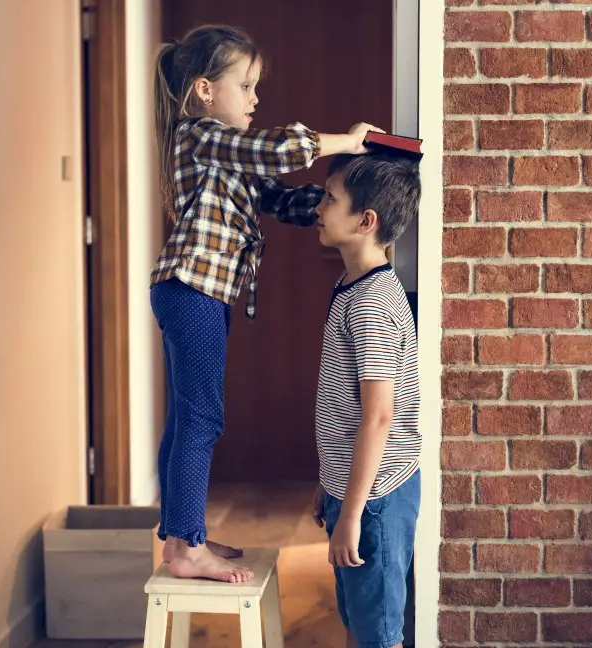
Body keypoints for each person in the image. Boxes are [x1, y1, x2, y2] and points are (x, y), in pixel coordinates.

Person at [150, 23, 381, 584]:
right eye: (246, 86)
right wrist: (345, 142)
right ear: (205, 90)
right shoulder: (200, 134)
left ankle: (184, 536)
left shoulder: (225, 156)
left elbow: (278, 197)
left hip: (193, 292)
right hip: (193, 290)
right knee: (201, 418)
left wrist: (340, 198)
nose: (256, 99)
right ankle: (186, 548)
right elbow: (277, 149)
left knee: (186, 418)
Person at [311, 152, 421, 648]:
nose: (319, 205)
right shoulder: (353, 286)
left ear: (365, 220)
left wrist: (352, 513)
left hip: (374, 499)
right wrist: (329, 484)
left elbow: (378, 417)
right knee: (359, 622)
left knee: (379, 636)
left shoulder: (372, 304)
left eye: (330, 198)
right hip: (355, 490)